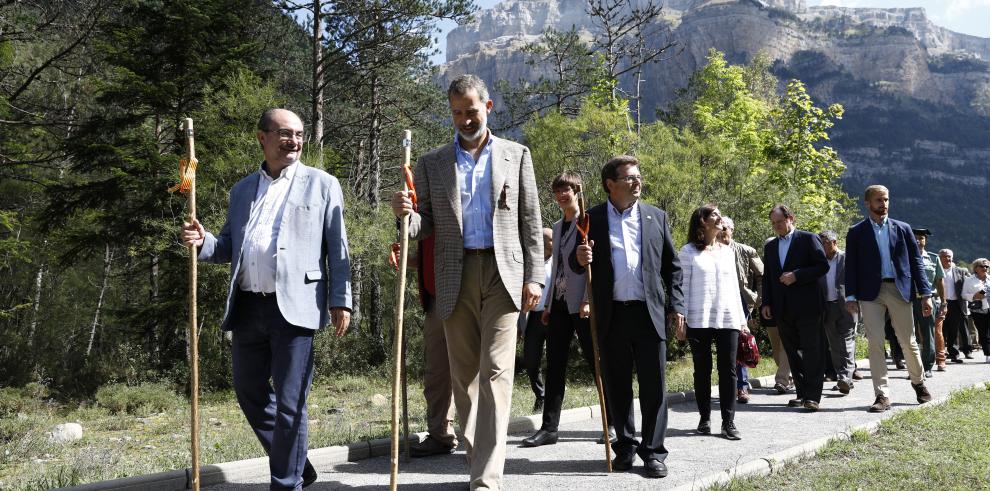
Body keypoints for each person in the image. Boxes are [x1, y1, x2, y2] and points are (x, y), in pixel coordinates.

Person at [180, 108, 351, 490]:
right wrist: (201, 241)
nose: (294, 141)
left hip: (296, 307)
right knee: (250, 394)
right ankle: (297, 464)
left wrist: (342, 300)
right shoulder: (242, 190)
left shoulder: (322, 184)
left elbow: (338, 249)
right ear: (262, 137)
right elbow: (228, 247)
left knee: (291, 403)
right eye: (285, 133)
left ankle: (285, 483)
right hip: (247, 307)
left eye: (300, 134)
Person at [390, 74, 543, 490]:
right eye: (457, 112)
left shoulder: (516, 154)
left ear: (488, 108)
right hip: (453, 274)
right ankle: (478, 457)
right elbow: (424, 227)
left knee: (496, 371)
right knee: (465, 378)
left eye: (471, 111)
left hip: (503, 273)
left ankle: (485, 478)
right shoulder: (431, 162)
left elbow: (531, 220)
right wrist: (405, 214)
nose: (464, 119)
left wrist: (536, 278)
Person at [573, 155, 684, 478]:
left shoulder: (655, 217)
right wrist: (580, 257)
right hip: (611, 315)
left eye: (638, 177)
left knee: (654, 387)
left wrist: (675, 305)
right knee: (617, 386)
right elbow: (573, 261)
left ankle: (653, 452)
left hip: (648, 314)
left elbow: (672, 267)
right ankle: (625, 447)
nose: (638, 182)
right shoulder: (590, 218)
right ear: (611, 184)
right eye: (630, 178)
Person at [523, 173, 614, 448]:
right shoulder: (557, 226)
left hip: (583, 303)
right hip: (560, 303)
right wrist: (549, 305)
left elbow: (594, 266)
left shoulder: (590, 221)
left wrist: (588, 298)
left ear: (577, 191)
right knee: (555, 365)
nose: (562, 195)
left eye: (567, 190)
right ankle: (549, 428)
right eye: (558, 191)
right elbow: (556, 268)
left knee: (595, 362)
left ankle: (613, 424)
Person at [844, 185, 933, 413]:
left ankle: (918, 382)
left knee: (908, 341)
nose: (883, 204)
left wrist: (926, 294)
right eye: (878, 200)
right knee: (875, 343)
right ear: (868, 203)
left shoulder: (903, 229)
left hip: (899, 290)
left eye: (886, 200)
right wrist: (850, 295)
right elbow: (851, 266)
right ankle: (882, 395)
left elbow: (916, 263)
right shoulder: (856, 232)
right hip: (869, 294)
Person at [679, 205, 748, 440]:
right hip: (698, 318)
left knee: (728, 370)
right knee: (702, 370)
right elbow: (682, 288)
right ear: (702, 222)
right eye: (714, 215)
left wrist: (742, 320)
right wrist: (681, 320)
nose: (720, 219)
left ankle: (729, 422)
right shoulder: (687, 252)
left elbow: (734, 289)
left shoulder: (728, 251)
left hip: (728, 317)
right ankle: (704, 418)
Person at [761, 204, 829, 411]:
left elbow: (822, 266)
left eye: (780, 222)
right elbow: (768, 277)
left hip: (808, 306)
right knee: (791, 351)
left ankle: (813, 396)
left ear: (791, 218)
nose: (777, 227)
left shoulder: (808, 239)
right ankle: (801, 393)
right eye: (773, 224)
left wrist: (796, 275)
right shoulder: (771, 246)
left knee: (811, 350)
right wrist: (766, 302)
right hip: (782, 308)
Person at [408, 235, 459, 458]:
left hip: (463, 294)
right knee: (437, 373)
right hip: (435, 299)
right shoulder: (424, 209)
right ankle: (440, 434)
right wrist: (409, 259)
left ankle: (480, 439)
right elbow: (430, 256)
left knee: (471, 372)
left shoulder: (451, 203)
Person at [717, 216, 763, 404]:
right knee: (724, 347)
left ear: (732, 230)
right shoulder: (711, 250)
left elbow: (762, 275)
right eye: (720, 228)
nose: (722, 232)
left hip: (740, 303)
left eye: (725, 228)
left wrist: (758, 298)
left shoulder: (746, 251)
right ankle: (728, 385)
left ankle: (742, 387)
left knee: (740, 342)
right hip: (717, 302)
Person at [818, 231, 857, 394]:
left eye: (824, 243)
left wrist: (854, 300)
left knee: (847, 341)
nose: (821, 246)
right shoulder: (819, 262)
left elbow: (856, 279)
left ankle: (845, 378)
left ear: (834, 242)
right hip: (827, 307)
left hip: (847, 305)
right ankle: (843, 378)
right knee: (834, 345)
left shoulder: (847, 258)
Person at [520, 228, 553, 414]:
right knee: (531, 359)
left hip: (554, 316)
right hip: (533, 317)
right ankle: (540, 395)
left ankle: (553, 398)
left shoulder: (559, 262)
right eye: (550, 240)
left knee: (555, 360)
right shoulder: (530, 265)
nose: (553, 243)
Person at [911, 228, 944, 377]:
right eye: (915, 238)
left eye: (921, 238)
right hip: (909, 300)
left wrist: (943, 302)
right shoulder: (905, 257)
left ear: (925, 240)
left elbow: (939, 281)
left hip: (928, 300)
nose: (918, 240)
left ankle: (928, 366)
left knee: (928, 334)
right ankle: (913, 368)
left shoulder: (933, 258)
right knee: (910, 335)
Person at [939, 248, 971, 364]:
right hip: (940, 303)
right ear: (939, 258)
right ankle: (940, 353)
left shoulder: (960, 271)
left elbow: (971, 282)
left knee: (954, 330)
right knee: (940, 330)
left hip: (955, 304)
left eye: (949, 256)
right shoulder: (936, 270)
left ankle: (954, 354)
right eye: (944, 256)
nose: (947, 258)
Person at [961, 258, 990, 363]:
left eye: (987, 266)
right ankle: (988, 354)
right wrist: (974, 296)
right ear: (976, 268)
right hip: (978, 310)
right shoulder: (969, 280)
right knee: (983, 332)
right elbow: (963, 295)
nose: (985, 268)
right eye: (982, 266)